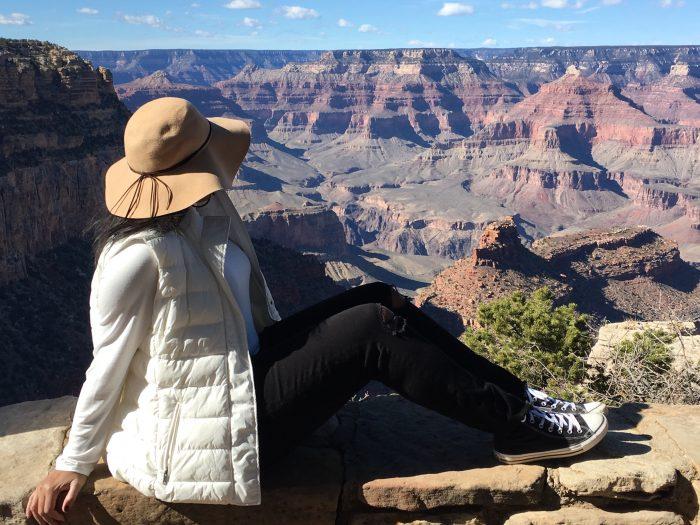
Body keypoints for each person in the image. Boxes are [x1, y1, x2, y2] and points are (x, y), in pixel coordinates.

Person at [25, 97, 608, 525]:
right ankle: (519, 429)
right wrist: (73, 461)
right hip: (207, 431)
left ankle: (523, 399)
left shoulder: (202, 219)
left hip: (237, 382)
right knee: (373, 330)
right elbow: (107, 363)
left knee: (376, 297)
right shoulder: (134, 257)